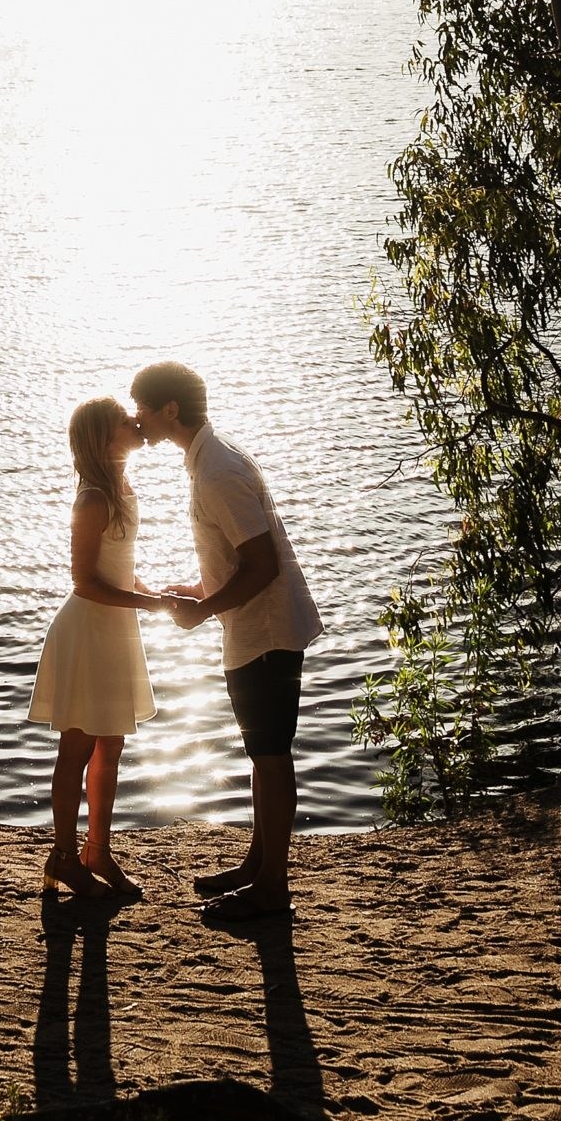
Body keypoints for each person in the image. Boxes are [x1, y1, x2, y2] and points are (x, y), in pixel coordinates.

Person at [130, 361, 322, 924]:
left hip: (266, 631)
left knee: (270, 756)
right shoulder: (210, 459)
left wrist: (203, 610)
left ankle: (271, 888)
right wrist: (200, 588)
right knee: (264, 754)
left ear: (170, 410)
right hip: (253, 626)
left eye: (142, 406)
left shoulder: (216, 469)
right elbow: (241, 558)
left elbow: (262, 565)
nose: (136, 416)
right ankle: (258, 866)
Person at [28, 394, 176, 899]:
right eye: (122, 420)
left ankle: (98, 850)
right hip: (89, 630)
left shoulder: (122, 487)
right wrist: (148, 605)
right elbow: (85, 583)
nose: (135, 421)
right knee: (78, 745)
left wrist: (154, 593)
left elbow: (119, 564)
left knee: (111, 743)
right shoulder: (92, 498)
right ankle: (65, 856)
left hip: (115, 628)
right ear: (102, 437)